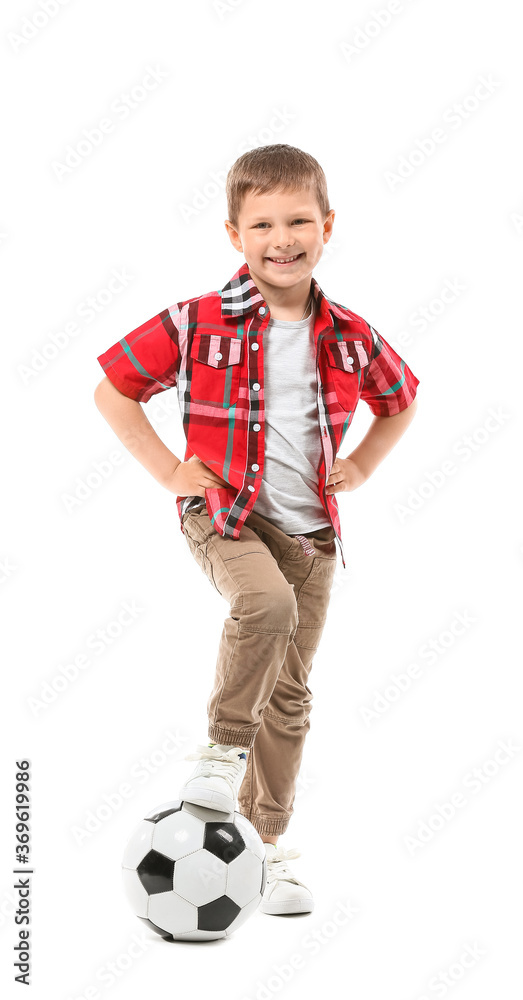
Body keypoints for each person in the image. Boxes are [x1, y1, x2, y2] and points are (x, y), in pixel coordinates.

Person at [94, 143, 420, 916]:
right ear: (234, 234)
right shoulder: (197, 319)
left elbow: (400, 398)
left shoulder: (347, 332)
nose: (282, 238)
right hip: (227, 516)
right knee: (263, 607)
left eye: (299, 220)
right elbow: (114, 391)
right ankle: (219, 749)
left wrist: (365, 465)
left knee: (293, 696)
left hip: (312, 536)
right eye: (262, 223)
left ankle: (262, 848)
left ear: (327, 226)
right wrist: (174, 472)